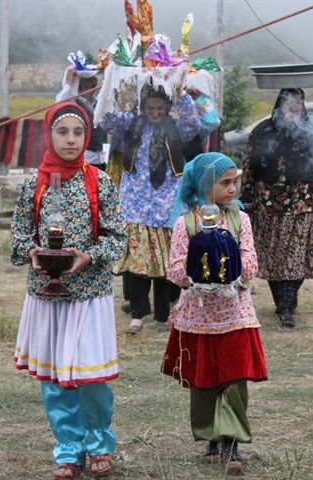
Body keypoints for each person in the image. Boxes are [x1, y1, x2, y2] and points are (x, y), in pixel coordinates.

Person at [10, 102, 127, 479]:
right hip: (46, 294)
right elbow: (19, 236)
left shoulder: (100, 181)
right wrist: (31, 253)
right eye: (63, 132)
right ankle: (67, 447)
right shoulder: (34, 184)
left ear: (87, 136)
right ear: (49, 134)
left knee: (90, 376)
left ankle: (97, 443)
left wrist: (88, 256)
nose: (71, 140)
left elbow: (117, 238)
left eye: (78, 132)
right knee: (55, 378)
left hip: (89, 294)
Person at [161, 152, 267, 473]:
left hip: (234, 314)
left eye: (235, 181)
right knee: (204, 380)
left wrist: (230, 266)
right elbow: (176, 271)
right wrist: (199, 272)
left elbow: (251, 265)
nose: (233, 189)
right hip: (199, 317)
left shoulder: (240, 220)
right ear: (206, 184)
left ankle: (232, 443)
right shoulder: (186, 224)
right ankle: (211, 439)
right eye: (225, 182)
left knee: (234, 379)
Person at [240, 68, 313, 328]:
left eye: (299, 103)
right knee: (274, 258)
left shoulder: (311, 130)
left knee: (296, 258)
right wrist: (244, 201)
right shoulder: (263, 130)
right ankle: (282, 302)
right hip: (267, 202)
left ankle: (288, 305)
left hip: (301, 200)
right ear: (279, 105)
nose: (294, 108)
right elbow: (248, 165)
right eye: (289, 103)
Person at [102, 83, 200, 334]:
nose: (155, 112)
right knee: (138, 263)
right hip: (137, 203)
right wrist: (123, 96)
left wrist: (181, 94)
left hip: (167, 202)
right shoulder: (132, 124)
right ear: (142, 107)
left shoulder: (175, 127)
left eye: (160, 108)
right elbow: (109, 124)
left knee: (166, 264)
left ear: (167, 108)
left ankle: (162, 314)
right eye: (150, 108)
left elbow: (193, 125)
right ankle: (137, 316)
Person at [56, 66, 108, 170]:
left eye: (92, 86)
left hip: (100, 158)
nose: (90, 90)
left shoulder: (96, 103)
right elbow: (59, 103)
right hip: (84, 159)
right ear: (78, 88)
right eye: (85, 87)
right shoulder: (73, 104)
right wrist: (68, 84)